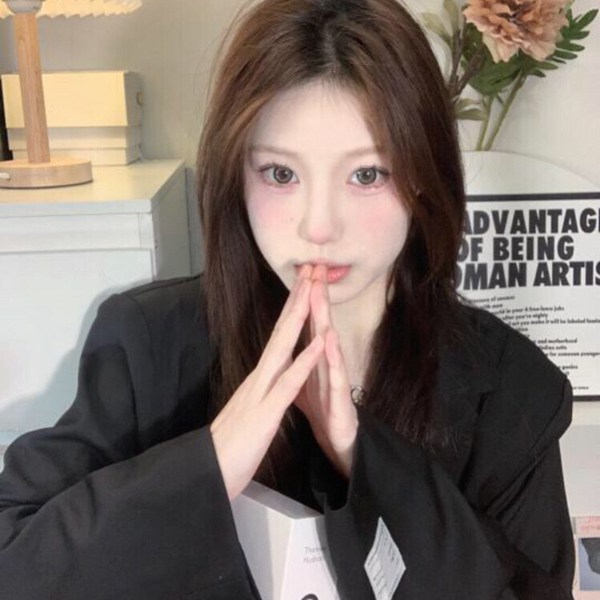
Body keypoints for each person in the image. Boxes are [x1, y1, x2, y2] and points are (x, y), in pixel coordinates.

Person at [0, 0, 575, 598]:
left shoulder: (510, 391)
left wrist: (365, 457)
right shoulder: (150, 344)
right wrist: (209, 465)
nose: (318, 226)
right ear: (235, 175)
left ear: (424, 177)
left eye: (368, 174)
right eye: (280, 174)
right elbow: (15, 562)